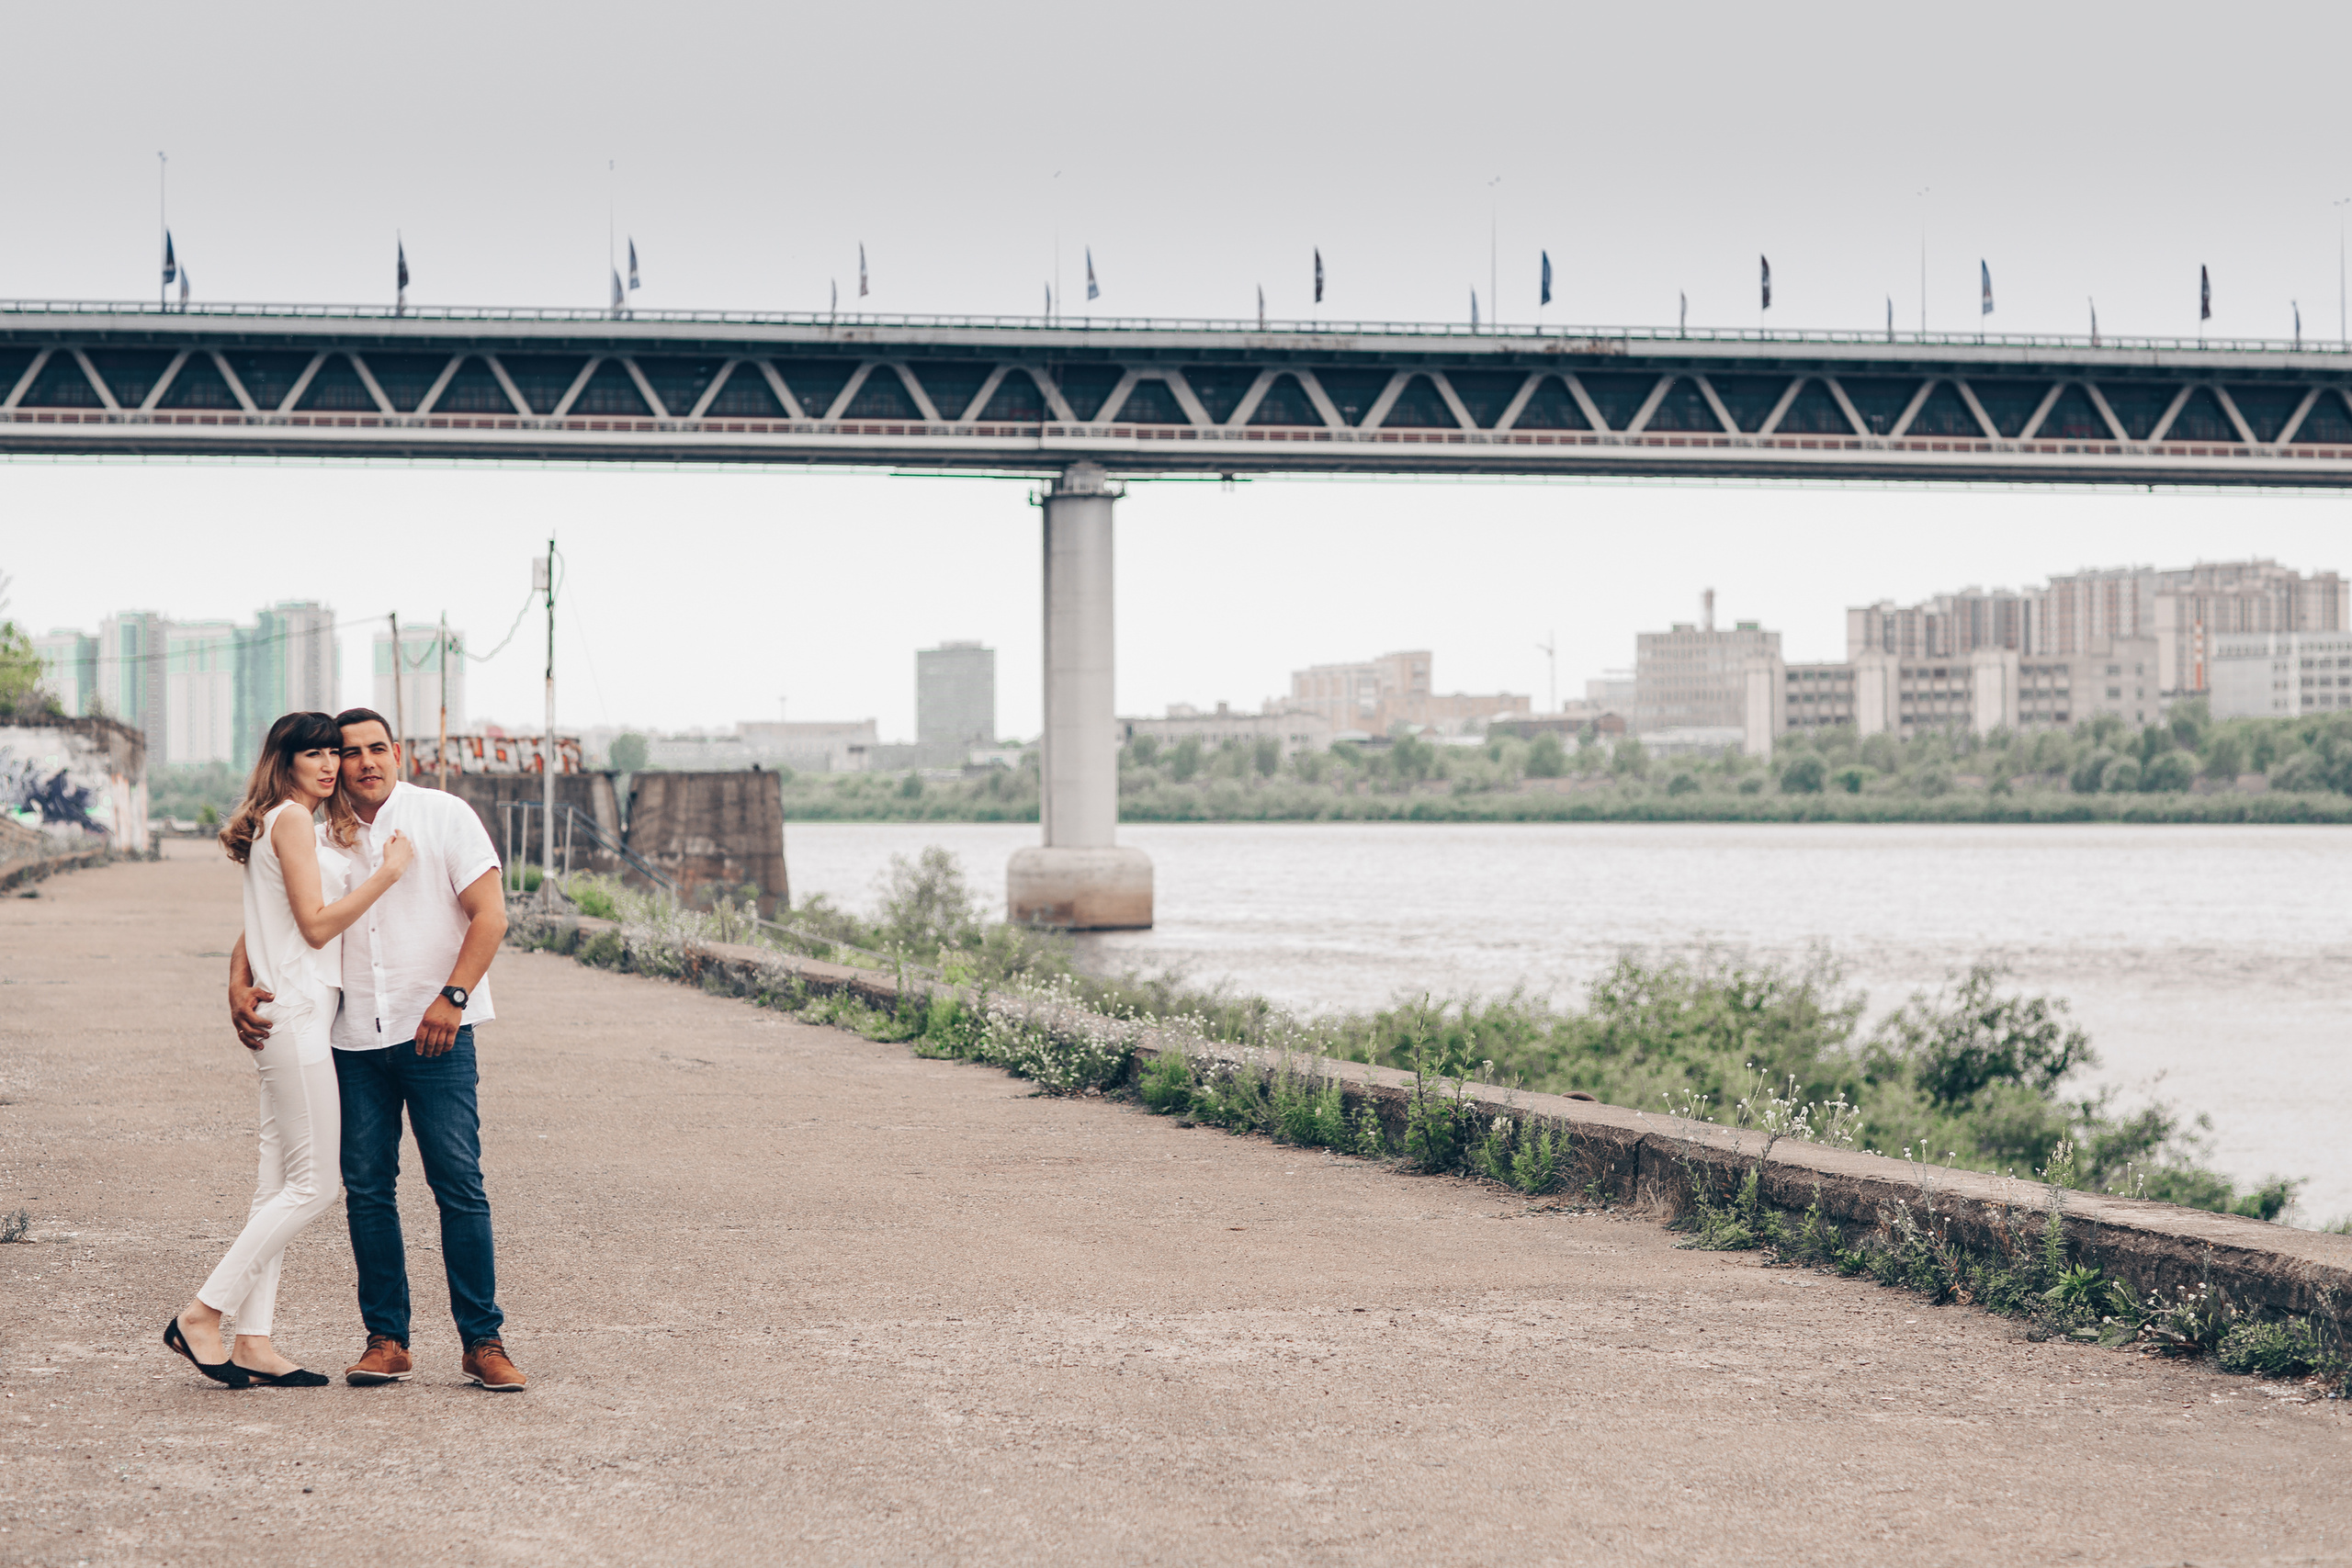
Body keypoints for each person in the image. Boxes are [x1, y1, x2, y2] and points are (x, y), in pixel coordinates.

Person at [231, 706, 523, 1391]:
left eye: (375, 748)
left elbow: (492, 914)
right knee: (367, 1191)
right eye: (346, 750)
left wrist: (453, 997)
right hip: (352, 1035)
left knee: (458, 1184)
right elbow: (274, 911)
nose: (361, 762)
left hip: (435, 1031)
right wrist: (236, 980)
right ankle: (386, 1341)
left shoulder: (442, 815)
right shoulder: (318, 830)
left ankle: (483, 1342)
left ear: (398, 754)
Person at [168, 712, 413, 1389]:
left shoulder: (282, 820)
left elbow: (269, 917)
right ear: (285, 760)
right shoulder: (295, 820)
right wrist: (389, 872)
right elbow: (313, 926)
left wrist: (237, 975)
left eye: (335, 751)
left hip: (294, 1010)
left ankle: (253, 1339)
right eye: (315, 753)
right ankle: (203, 1313)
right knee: (316, 1186)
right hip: (299, 1013)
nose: (331, 764)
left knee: (276, 1186)